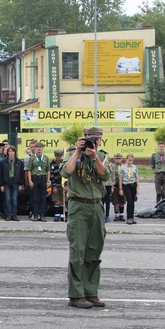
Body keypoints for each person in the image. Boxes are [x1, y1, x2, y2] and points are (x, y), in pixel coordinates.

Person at [60, 126, 111, 308]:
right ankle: (76, 294)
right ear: (84, 138)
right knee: (78, 251)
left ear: (100, 140)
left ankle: (91, 292)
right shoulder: (73, 153)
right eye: (90, 139)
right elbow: (66, 172)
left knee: (94, 251)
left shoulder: (102, 155)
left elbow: (106, 175)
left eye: (96, 139)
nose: (93, 142)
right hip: (79, 206)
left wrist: (94, 157)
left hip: (97, 206)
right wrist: (77, 151)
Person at [25, 141, 51, 221]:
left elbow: (48, 170)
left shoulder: (46, 158)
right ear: (35, 148)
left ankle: (42, 215)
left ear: (43, 148)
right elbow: (29, 169)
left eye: (40, 147)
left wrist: (48, 180)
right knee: (35, 197)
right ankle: (35, 214)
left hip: (43, 178)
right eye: (37, 147)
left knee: (43, 197)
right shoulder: (32, 158)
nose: (39, 148)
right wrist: (30, 181)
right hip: (34, 178)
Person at [0, 145, 24, 221]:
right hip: (6, 182)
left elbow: (21, 174)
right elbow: (1, 174)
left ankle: (14, 214)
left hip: (15, 182)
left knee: (14, 198)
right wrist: (1, 184)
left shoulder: (19, 162)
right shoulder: (3, 162)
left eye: (12, 151)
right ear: (7, 152)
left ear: (15, 152)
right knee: (7, 198)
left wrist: (20, 184)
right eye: (9, 151)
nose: (11, 153)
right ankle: (8, 214)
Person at [120, 154, 140, 225]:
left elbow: (137, 178)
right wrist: (120, 189)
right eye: (129, 160)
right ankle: (129, 217)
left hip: (133, 184)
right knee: (129, 201)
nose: (130, 162)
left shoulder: (134, 167)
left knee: (133, 202)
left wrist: (138, 187)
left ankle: (132, 217)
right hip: (126, 185)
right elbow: (120, 179)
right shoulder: (123, 167)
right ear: (126, 160)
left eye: (131, 160)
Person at [50, 149, 66, 222]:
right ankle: (57, 215)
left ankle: (63, 215)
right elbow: (51, 175)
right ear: (55, 156)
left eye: (60, 156)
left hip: (63, 184)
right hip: (55, 184)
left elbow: (66, 175)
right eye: (57, 156)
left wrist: (66, 185)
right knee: (56, 200)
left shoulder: (64, 163)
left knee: (63, 200)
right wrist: (53, 186)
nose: (58, 157)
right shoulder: (52, 163)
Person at [110, 153, 126, 221]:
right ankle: (116, 215)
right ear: (114, 159)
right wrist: (111, 186)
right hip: (115, 185)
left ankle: (121, 215)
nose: (118, 160)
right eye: (116, 158)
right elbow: (110, 177)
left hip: (123, 185)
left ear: (122, 159)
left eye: (119, 158)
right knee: (115, 200)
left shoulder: (124, 166)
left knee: (122, 200)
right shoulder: (112, 166)